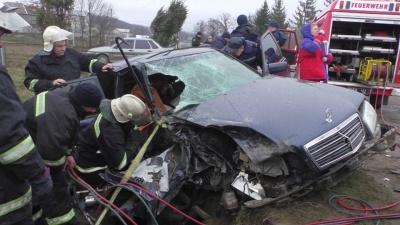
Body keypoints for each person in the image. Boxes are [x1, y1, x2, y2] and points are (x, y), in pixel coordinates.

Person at [0, 2, 55, 225]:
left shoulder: (71, 56)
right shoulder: (37, 60)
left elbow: (85, 62)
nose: (1, 43)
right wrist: (38, 173)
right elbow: (10, 139)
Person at [22, 82, 103, 225]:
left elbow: (66, 135)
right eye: (92, 107)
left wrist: (68, 153)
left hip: (35, 140)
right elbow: (50, 154)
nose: (93, 111)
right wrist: (60, 169)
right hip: (24, 148)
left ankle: (37, 217)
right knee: (56, 190)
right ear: (83, 103)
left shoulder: (67, 97)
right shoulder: (62, 114)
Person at [74, 94, 151, 187]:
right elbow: (120, 163)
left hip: (96, 153)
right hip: (92, 168)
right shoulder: (109, 132)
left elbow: (127, 125)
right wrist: (135, 143)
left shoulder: (112, 112)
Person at [24, 25, 113, 95]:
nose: (63, 48)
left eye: (64, 45)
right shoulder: (36, 62)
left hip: (72, 97)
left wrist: (100, 66)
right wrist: (51, 83)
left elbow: (87, 62)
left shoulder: (71, 54)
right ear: (49, 46)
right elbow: (30, 83)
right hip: (52, 102)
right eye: (60, 46)